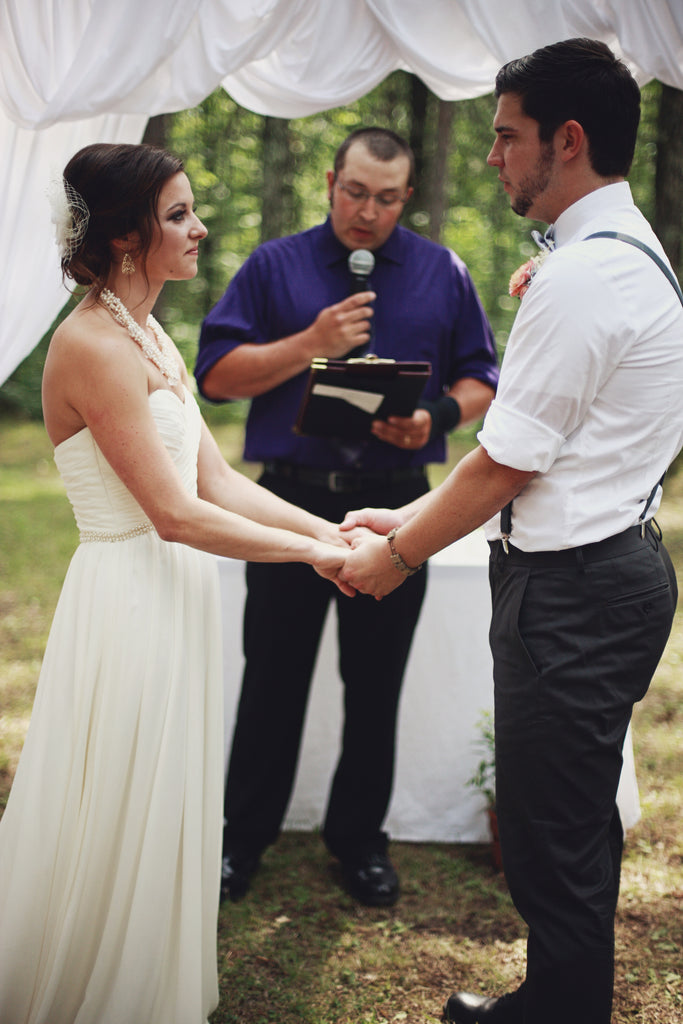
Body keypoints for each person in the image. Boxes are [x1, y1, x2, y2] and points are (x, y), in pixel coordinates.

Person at [340, 39, 683, 1024]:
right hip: (600, 566)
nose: (491, 156)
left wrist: (393, 557)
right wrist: (405, 511)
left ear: (565, 142)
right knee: (559, 824)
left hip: (573, 593)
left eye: (505, 136)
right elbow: (532, 449)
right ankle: (555, 997)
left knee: (552, 831)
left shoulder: (581, 279)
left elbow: (504, 464)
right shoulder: (622, 255)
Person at [0, 142, 355, 1024]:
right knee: (123, 793)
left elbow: (221, 484)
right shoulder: (89, 343)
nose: (199, 229)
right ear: (126, 237)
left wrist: (331, 529)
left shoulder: (148, 329)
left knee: (169, 790)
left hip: (178, 594)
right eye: (178, 215)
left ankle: (149, 978)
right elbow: (173, 513)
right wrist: (319, 560)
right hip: (129, 600)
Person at [195, 126, 498, 907]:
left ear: (405, 197)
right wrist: (310, 342)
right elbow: (218, 378)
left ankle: (359, 842)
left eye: (387, 199)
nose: (367, 213)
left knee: (374, 684)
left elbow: (482, 380)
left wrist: (434, 418)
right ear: (331, 180)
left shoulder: (442, 271)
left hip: (399, 507)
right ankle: (241, 840)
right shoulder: (274, 265)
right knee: (272, 677)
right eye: (355, 192)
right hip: (289, 502)